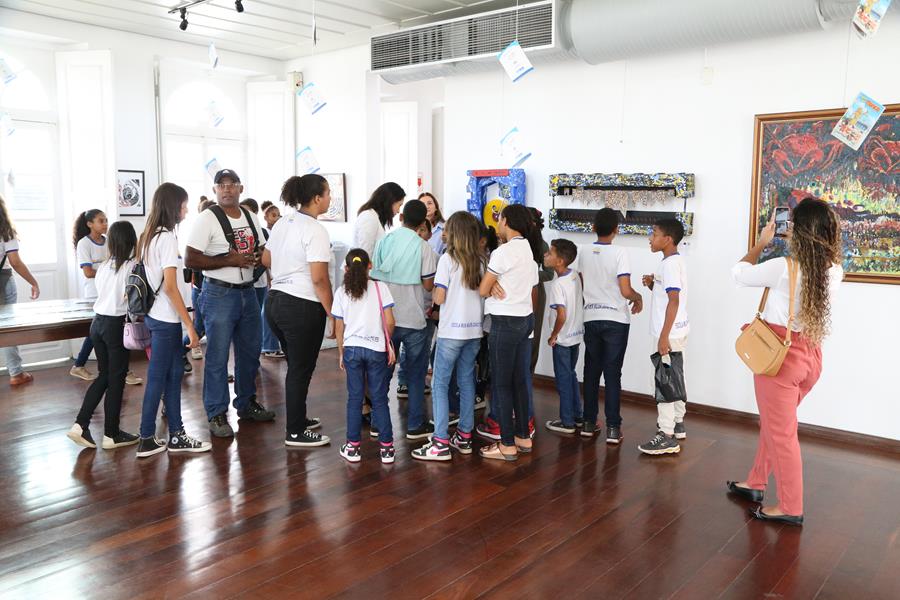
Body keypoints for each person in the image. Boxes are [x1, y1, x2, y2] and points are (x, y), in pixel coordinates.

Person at [728, 197, 842, 526]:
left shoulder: (783, 267)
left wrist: (762, 243)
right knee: (777, 425)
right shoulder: (835, 270)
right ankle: (755, 482)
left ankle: (791, 506)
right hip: (810, 358)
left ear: (798, 230)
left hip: (779, 359)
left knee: (782, 435)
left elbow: (738, 274)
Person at [186, 169, 275, 438]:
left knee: (250, 353)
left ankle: (246, 403)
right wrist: (229, 260)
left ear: (240, 188)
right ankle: (216, 412)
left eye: (232, 184)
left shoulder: (250, 216)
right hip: (219, 294)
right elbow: (191, 258)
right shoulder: (207, 218)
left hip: (248, 292)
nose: (226, 189)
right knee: (218, 356)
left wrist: (258, 257)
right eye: (221, 185)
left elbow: (262, 248)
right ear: (215, 189)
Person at [135, 183, 210, 458]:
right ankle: (148, 436)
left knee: (173, 374)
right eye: (184, 206)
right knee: (159, 377)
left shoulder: (148, 235)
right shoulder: (166, 238)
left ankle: (176, 433)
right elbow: (169, 286)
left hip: (155, 315)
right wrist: (189, 324)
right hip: (166, 319)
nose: (186, 211)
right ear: (173, 207)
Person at [263, 174, 333, 448]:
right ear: (316, 198)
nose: (330, 198)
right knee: (300, 369)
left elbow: (266, 258)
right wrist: (333, 313)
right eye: (328, 193)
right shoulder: (315, 230)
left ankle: (298, 419)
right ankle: (295, 432)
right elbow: (319, 279)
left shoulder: (283, 222)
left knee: (296, 366)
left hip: (275, 303)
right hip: (301, 306)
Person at [412, 211, 484, 461]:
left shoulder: (447, 260)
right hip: (474, 332)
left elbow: (440, 297)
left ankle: (440, 442)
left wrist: (434, 296)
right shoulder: (481, 261)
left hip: (451, 331)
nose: (443, 233)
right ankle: (464, 436)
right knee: (466, 382)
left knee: (439, 384)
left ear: (455, 233)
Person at [67, 221, 140, 449]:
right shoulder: (132, 266)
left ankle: (81, 424)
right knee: (116, 380)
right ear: (132, 240)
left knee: (105, 376)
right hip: (115, 326)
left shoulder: (106, 265)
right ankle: (111, 434)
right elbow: (134, 299)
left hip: (97, 324)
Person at [371, 198, 438, 440]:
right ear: (423, 223)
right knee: (417, 375)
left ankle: (377, 424)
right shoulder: (424, 247)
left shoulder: (384, 241)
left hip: (386, 318)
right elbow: (429, 285)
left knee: (383, 373)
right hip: (414, 318)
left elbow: (375, 277)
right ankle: (415, 425)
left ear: (401, 218)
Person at [477, 204, 540, 461]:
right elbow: (526, 287)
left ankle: (506, 444)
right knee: (520, 382)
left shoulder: (502, 252)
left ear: (506, 221)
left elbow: (482, 289)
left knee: (501, 384)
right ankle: (523, 437)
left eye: (500, 219)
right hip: (525, 320)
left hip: (504, 322)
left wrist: (491, 287)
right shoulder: (529, 251)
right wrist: (494, 285)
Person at [579, 208, 643, 442]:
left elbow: (582, 284)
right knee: (612, 375)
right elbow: (625, 290)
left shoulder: (583, 251)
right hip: (616, 319)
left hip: (591, 317)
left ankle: (588, 423)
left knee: (591, 372)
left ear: (593, 227)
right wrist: (637, 297)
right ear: (616, 230)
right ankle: (613, 428)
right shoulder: (620, 252)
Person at [333, 249, 397, 464]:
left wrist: (341, 351)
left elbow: (339, 326)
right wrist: (387, 343)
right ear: (370, 265)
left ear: (346, 268)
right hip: (376, 348)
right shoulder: (381, 288)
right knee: (379, 398)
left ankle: (352, 448)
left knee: (355, 398)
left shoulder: (341, 292)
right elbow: (390, 322)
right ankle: (387, 449)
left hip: (352, 349)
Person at [638, 218, 690, 455]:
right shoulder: (673, 261)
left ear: (668, 239)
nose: (650, 238)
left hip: (669, 333)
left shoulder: (669, 265)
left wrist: (663, 337)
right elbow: (669, 295)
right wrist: (653, 284)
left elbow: (674, 301)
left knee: (664, 380)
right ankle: (678, 423)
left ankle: (666, 435)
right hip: (677, 331)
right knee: (674, 376)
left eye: (654, 233)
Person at [543, 238, 585, 436]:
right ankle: (577, 416)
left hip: (562, 340)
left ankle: (567, 422)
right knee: (571, 375)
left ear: (560, 261)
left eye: (550, 253)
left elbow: (561, 315)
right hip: (575, 336)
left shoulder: (558, 285)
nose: (546, 255)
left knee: (563, 380)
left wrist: (553, 335)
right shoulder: (575, 275)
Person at [0, 194, 40, 387]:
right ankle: (16, 373)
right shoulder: (5, 231)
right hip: (3, 281)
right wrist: (33, 282)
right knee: (6, 328)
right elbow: (15, 262)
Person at [240, 198, 282, 358]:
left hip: (258, 283)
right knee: (251, 319)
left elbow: (265, 260)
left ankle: (264, 348)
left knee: (261, 316)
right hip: (246, 283)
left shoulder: (262, 233)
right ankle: (258, 349)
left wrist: (266, 279)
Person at [70, 209, 107, 381]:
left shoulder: (108, 241)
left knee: (100, 331)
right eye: (101, 221)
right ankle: (79, 365)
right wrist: (108, 271)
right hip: (94, 294)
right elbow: (88, 272)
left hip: (109, 292)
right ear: (90, 224)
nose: (105, 224)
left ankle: (79, 365)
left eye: (106, 220)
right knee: (96, 331)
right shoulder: (84, 244)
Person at [184, 198, 215, 363]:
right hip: (202, 290)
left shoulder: (212, 235)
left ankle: (179, 354)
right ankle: (179, 353)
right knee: (200, 328)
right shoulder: (200, 236)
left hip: (206, 290)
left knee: (205, 329)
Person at [354, 182, 404, 256]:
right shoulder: (369, 217)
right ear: (390, 201)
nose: (398, 211)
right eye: (399, 205)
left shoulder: (375, 217)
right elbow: (365, 254)